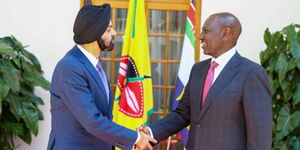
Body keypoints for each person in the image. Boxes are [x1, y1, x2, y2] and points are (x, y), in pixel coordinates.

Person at [138, 12, 272, 150]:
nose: (200, 36)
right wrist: (151, 132)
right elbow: (183, 114)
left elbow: (260, 136)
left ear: (225, 33)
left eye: (206, 31)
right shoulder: (198, 69)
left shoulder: (251, 73)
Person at [47, 4, 156, 150]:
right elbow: (92, 121)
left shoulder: (93, 64)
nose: (115, 33)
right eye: (109, 29)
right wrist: (135, 138)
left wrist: (130, 137)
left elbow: (103, 117)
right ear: (94, 33)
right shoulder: (70, 68)